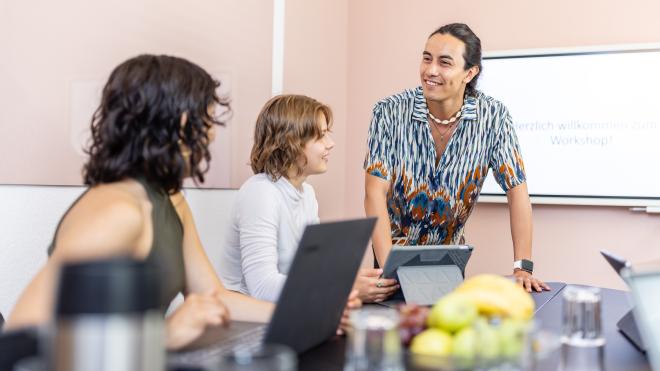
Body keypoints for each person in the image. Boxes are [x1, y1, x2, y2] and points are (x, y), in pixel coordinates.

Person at [6, 55, 356, 349]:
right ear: (176, 122)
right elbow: (22, 337)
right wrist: (159, 336)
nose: (212, 132)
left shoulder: (170, 199)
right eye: (205, 118)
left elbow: (214, 296)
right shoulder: (115, 212)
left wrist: (312, 312)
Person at [364, 23, 550, 294]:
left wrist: (523, 267)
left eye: (444, 62)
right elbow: (373, 194)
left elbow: (517, 190)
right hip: (390, 261)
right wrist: (388, 269)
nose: (431, 70)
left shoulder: (493, 118)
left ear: (470, 72)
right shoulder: (388, 112)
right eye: (426, 58)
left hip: (449, 265)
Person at [219, 94, 399, 303]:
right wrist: (342, 287)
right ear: (291, 142)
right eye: (320, 136)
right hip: (246, 319)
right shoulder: (260, 194)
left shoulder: (307, 195)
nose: (330, 144)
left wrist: (350, 281)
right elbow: (262, 287)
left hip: (285, 311)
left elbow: (310, 272)